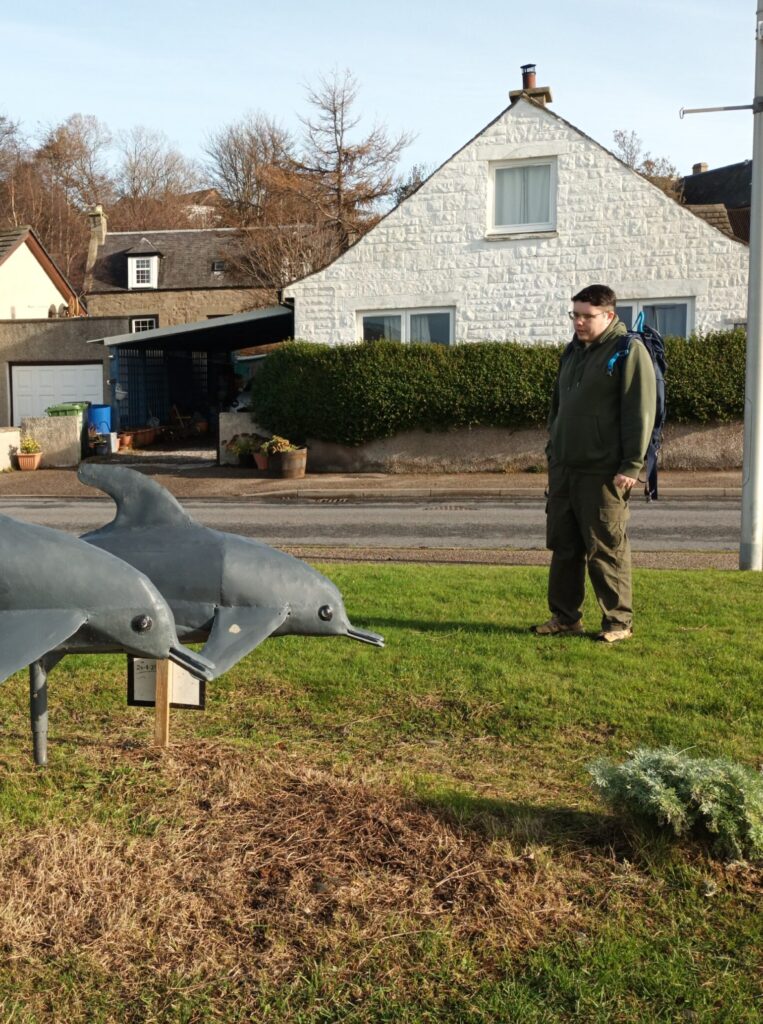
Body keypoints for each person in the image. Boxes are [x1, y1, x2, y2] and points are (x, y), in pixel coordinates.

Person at [532, 285, 657, 643]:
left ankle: (618, 623)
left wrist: (631, 465)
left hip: (604, 471)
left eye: (587, 315)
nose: (580, 322)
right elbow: (558, 407)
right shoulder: (572, 352)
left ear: (610, 316)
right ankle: (565, 617)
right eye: (575, 314)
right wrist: (553, 451)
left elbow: (640, 412)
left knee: (606, 547)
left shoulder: (627, 351)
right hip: (565, 469)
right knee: (564, 546)